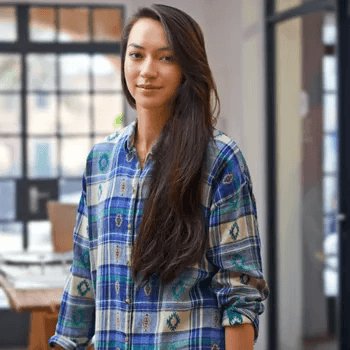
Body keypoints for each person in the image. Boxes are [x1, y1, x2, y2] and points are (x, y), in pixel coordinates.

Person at [49, 4, 269, 350]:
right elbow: (82, 279)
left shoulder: (219, 159)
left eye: (166, 58)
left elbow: (239, 292)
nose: (147, 71)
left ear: (186, 68)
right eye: (137, 55)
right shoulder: (100, 161)